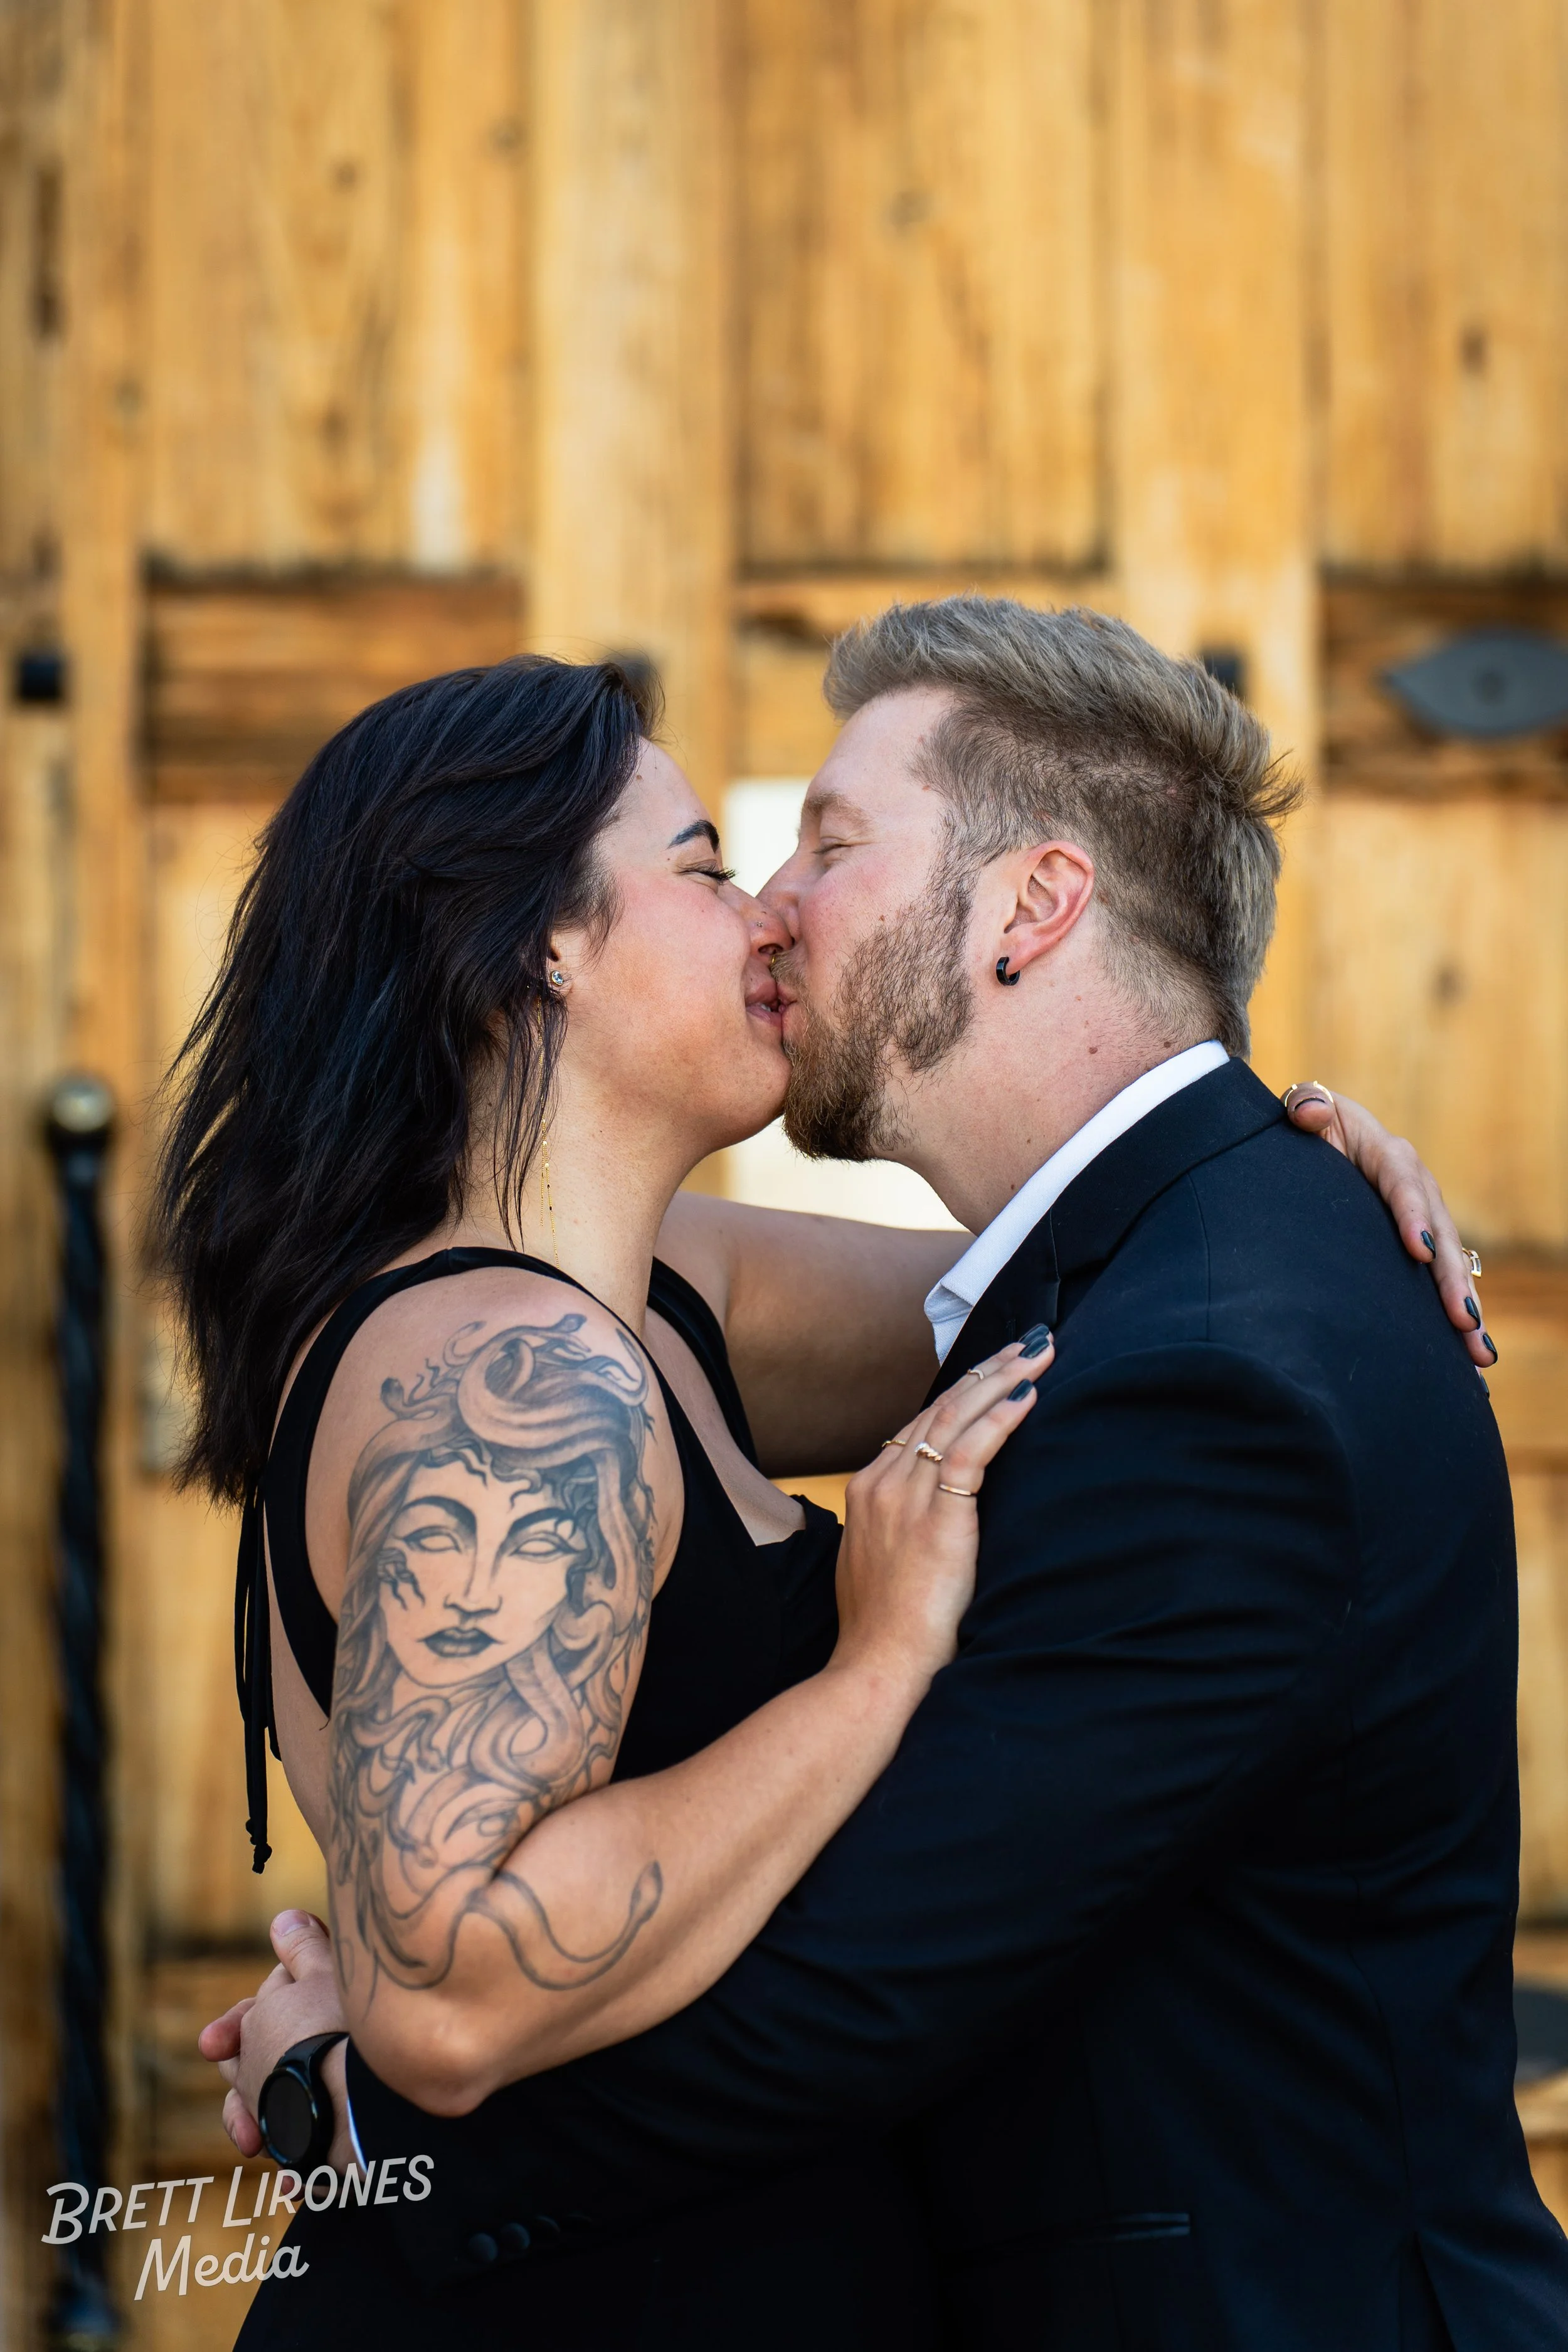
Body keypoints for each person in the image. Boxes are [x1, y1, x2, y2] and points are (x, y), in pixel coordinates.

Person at [186, 611, 1502, 2350]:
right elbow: (447, 1989)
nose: (768, 913)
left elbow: (1086, 1286)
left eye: (815, 848)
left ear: (1034, 903)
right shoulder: (513, 1373)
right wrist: (874, 1664)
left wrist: (1283, 1159)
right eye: (710, 864)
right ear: (534, 946)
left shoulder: (673, 1289)